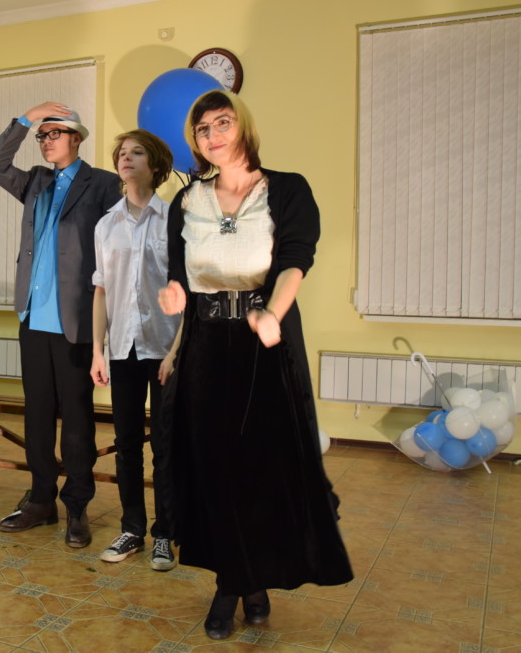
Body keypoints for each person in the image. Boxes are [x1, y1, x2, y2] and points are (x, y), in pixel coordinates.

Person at [157, 91, 352, 639]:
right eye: (202, 129)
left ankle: (246, 580)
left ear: (242, 126)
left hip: (262, 341)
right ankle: (235, 582)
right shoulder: (186, 201)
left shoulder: (287, 189)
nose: (213, 135)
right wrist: (175, 295)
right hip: (205, 345)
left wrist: (272, 313)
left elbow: (294, 261)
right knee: (212, 466)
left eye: (222, 123)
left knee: (259, 467)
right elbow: (180, 273)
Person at [0, 102, 122, 548]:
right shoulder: (36, 182)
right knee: (38, 415)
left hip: (76, 320)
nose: (46, 141)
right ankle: (41, 499)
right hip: (33, 316)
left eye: (54, 133)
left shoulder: (103, 184)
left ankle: (77, 506)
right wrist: (26, 118)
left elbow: (117, 248)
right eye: (42, 135)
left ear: (76, 138)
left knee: (77, 420)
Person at [90, 129, 181, 570]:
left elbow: (187, 290)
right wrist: (97, 350)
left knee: (165, 446)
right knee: (126, 443)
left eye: (137, 152)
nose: (126, 158)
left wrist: (176, 351)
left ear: (155, 165)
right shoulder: (105, 225)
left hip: (164, 349)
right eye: (122, 153)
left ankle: (165, 533)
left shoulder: (173, 221)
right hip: (121, 348)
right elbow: (101, 290)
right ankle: (132, 529)